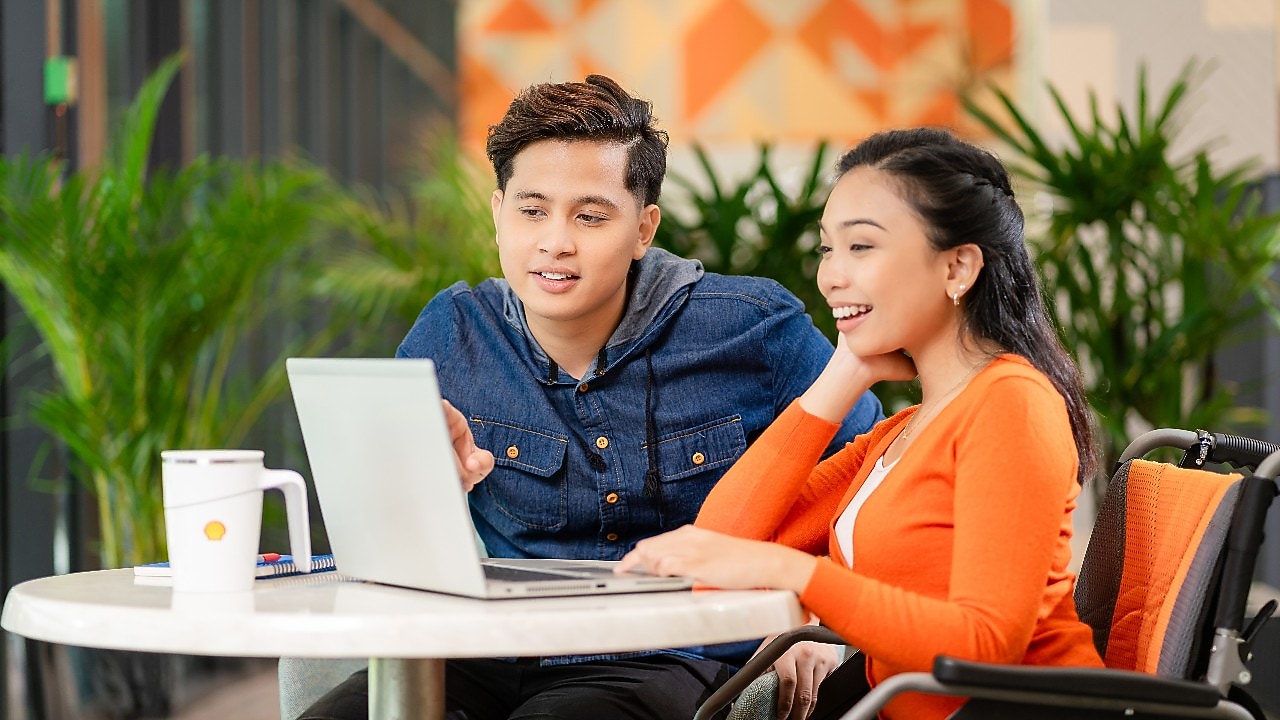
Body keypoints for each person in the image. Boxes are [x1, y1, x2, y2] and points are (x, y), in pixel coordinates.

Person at [298, 76, 883, 720]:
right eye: (531, 209)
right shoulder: (452, 334)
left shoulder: (750, 326)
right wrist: (429, 484)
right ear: (497, 212)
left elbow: (872, 486)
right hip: (486, 652)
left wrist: (814, 622)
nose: (555, 241)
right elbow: (386, 539)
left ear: (643, 228)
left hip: (667, 655)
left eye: (590, 216)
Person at [618, 127, 1107, 720]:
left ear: (958, 266)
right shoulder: (907, 429)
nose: (830, 276)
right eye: (828, 248)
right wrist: (844, 372)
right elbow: (726, 542)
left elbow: (985, 644)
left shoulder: (1011, 403)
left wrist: (794, 574)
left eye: (862, 247)